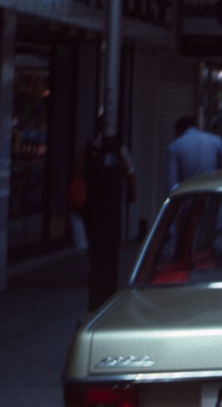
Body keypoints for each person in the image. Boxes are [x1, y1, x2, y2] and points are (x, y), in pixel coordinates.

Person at [78, 113, 137, 311]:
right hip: (110, 210)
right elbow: (130, 174)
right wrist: (131, 194)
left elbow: (79, 171)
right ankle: (106, 283)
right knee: (110, 249)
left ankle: (96, 277)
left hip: (92, 208)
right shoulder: (119, 149)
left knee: (95, 248)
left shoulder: (90, 148)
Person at [167, 115, 222, 192]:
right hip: (211, 193)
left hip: (188, 195)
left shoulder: (175, 146)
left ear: (179, 130)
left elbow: (172, 182)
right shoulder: (216, 140)